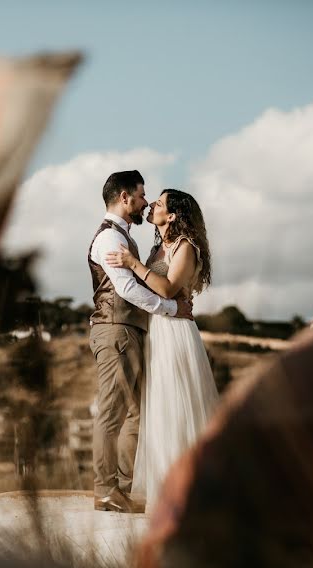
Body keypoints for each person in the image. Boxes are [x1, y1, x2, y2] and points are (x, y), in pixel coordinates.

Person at [105, 188, 220, 513]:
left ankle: (186, 495)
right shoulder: (158, 246)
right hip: (155, 329)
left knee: (176, 405)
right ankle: (164, 492)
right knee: (156, 408)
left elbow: (168, 288)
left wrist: (131, 263)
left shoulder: (186, 247)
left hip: (175, 333)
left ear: (171, 216)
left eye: (159, 202)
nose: (152, 205)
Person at [87, 172, 193, 513]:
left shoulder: (126, 238)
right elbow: (127, 289)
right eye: (142, 195)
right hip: (115, 328)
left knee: (135, 414)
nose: (146, 202)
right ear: (124, 197)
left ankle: (122, 489)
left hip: (129, 331)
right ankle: (106, 490)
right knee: (112, 413)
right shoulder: (109, 240)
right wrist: (170, 308)